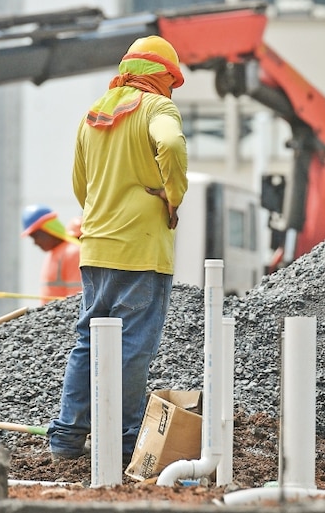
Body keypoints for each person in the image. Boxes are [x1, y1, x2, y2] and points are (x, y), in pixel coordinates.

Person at [47, 35, 189, 462]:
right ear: (162, 76)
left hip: (96, 247)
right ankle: (127, 442)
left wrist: (102, 213)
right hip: (142, 249)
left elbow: (80, 184)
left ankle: (66, 439)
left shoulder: (93, 114)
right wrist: (172, 193)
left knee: (88, 341)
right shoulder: (157, 108)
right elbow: (172, 144)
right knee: (133, 346)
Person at [20, 204, 82, 302]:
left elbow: (77, 299)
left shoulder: (73, 253)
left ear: (48, 230)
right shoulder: (56, 253)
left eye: (36, 236)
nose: (35, 242)